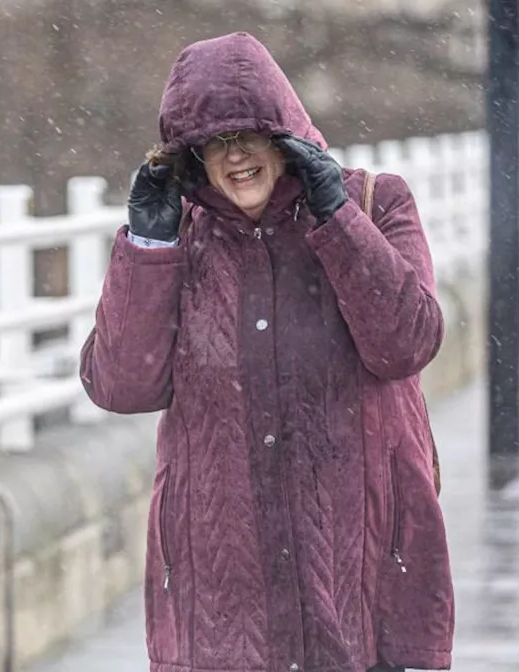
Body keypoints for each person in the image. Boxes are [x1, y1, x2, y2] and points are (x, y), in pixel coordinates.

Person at [79, 33, 453, 672]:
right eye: (214, 141)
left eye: (250, 133)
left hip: (362, 571)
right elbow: (121, 385)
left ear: (285, 135)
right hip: (223, 594)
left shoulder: (375, 203)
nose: (235, 156)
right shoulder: (182, 239)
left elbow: (406, 342)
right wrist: (146, 248)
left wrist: (336, 218)